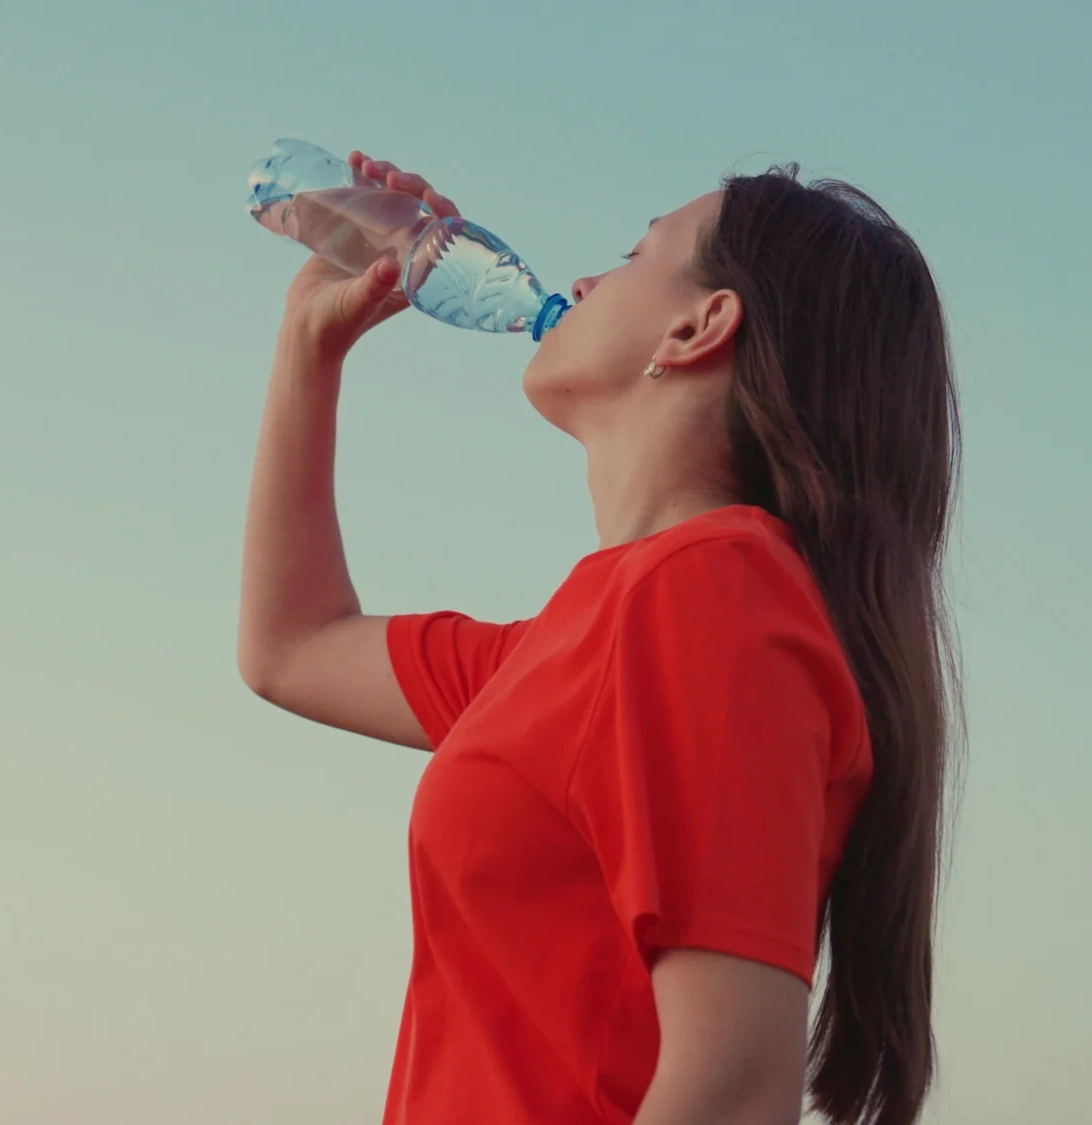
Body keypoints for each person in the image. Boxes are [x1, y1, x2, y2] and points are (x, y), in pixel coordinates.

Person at [237, 150, 961, 1125]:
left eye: (632, 252)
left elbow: (735, 1086)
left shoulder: (714, 594)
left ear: (699, 326)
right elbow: (291, 646)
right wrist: (308, 342)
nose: (578, 281)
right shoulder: (597, 633)